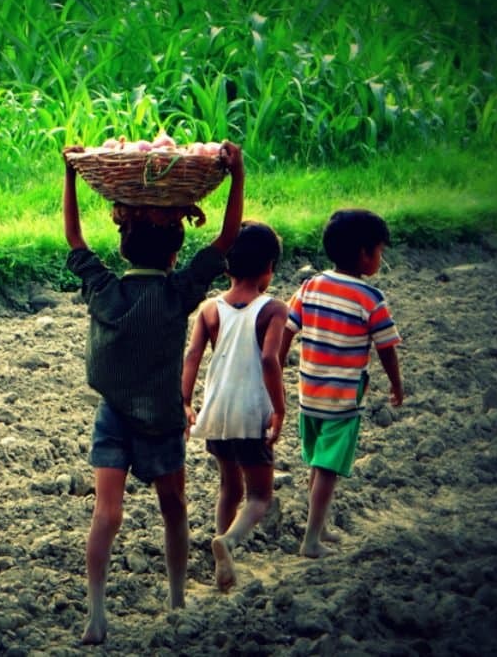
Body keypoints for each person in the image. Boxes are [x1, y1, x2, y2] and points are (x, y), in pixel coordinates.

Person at [62, 141, 244, 645]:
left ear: (122, 247)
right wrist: (237, 176)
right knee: (175, 506)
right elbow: (226, 240)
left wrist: (72, 176)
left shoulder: (103, 289)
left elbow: (74, 237)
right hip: (162, 418)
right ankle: (178, 598)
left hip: (113, 416)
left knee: (108, 513)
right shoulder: (178, 292)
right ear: (174, 252)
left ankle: (95, 613)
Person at [279, 208, 403, 559]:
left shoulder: (311, 285)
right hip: (342, 399)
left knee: (319, 464)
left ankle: (319, 526)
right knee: (328, 468)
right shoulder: (370, 298)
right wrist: (396, 385)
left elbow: (288, 329)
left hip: (309, 393)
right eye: (380, 250)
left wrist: (275, 364)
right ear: (364, 253)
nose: (380, 257)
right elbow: (387, 349)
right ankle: (312, 539)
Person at [181, 222, 287, 591]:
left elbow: (193, 355)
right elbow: (271, 360)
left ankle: (219, 565)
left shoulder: (209, 308)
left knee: (229, 487)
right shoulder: (273, 309)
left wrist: (185, 401)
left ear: (226, 266)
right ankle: (228, 541)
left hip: (216, 411)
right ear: (269, 268)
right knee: (259, 495)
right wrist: (280, 408)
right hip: (251, 411)